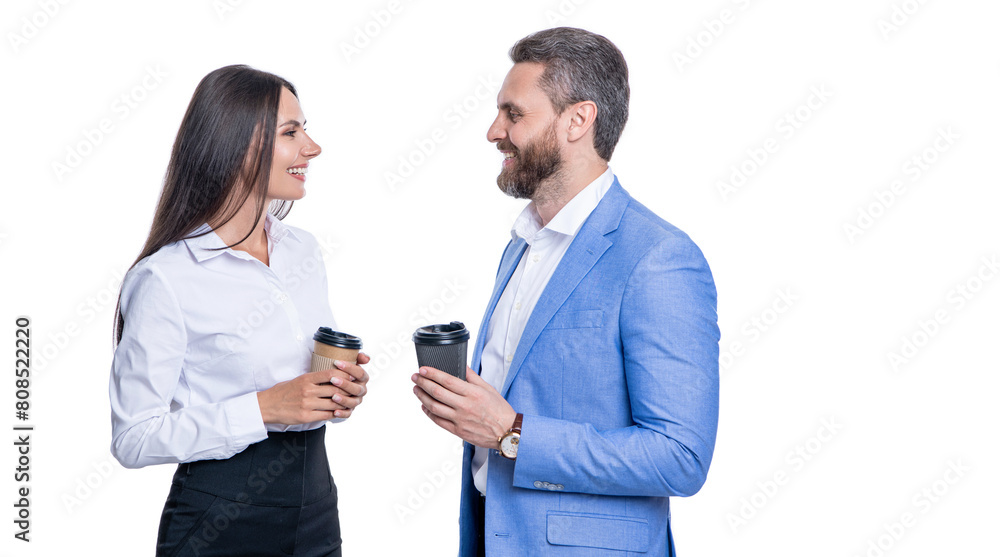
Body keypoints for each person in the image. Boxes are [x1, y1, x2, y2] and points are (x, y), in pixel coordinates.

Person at [411, 27, 720, 556]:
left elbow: (679, 456)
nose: (493, 131)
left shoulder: (659, 258)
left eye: (514, 114)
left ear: (578, 120)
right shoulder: (523, 243)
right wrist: (465, 409)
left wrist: (512, 433)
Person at [109, 64, 369, 557]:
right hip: (219, 521)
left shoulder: (303, 251)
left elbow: (303, 387)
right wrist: (264, 408)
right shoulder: (166, 278)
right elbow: (134, 438)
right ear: (238, 145)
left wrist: (337, 393)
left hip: (316, 510)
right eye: (291, 132)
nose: (312, 147)